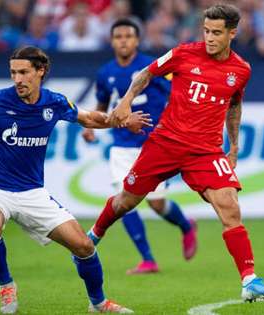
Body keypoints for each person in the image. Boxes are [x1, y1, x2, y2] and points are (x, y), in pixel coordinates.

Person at [0, 46, 151, 314]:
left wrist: (120, 122)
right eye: (13, 73)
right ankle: (6, 286)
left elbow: (90, 118)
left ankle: (98, 303)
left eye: (24, 72)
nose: (17, 79)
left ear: (40, 72)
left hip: (32, 193)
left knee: (84, 246)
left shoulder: (54, 102)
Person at [87, 4, 264, 302]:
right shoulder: (183, 53)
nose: (210, 38)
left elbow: (234, 106)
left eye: (217, 33)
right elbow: (145, 74)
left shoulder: (241, 70)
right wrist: (125, 102)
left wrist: (234, 146)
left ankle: (249, 280)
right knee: (126, 201)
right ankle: (93, 236)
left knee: (229, 204)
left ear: (232, 33)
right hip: (165, 143)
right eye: (206, 31)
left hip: (205, 151)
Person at [82, 18, 197, 275]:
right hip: (121, 146)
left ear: (137, 40)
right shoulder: (105, 72)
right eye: (118, 36)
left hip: (154, 145)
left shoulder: (153, 68)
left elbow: (176, 93)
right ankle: (148, 259)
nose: (123, 40)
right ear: (112, 41)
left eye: (128, 36)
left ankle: (187, 226)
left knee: (157, 204)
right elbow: (102, 104)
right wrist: (90, 126)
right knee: (122, 200)